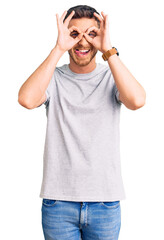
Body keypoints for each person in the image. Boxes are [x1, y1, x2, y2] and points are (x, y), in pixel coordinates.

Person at [18, 5, 146, 240]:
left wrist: (108, 49)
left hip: (105, 202)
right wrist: (58, 48)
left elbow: (137, 100)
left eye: (91, 34)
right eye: (74, 34)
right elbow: (26, 99)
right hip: (59, 203)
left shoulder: (112, 76)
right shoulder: (54, 78)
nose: (83, 42)